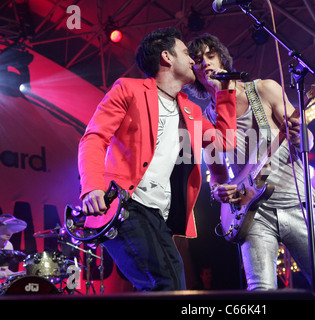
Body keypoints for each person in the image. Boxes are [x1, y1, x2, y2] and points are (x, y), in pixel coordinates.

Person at [187, 34, 315, 299]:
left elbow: (306, 139)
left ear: (222, 59)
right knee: (260, 294)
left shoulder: (263, 89)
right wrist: (218, 191)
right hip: (253, 213)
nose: (204, 63)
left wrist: (300, 134)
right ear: (194, 73)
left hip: (297, 204)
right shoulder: (205, 120)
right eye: (197, 61)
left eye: (209, 55)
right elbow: (217, 175)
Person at [78, 27, 237, 291]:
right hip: (125, 206)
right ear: (166, 57)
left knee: (174, 286)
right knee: (164, 285)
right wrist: (92, 185)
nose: (192, 60)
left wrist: (224, 91)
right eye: (186, 53)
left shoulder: (191, 110)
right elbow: (94, 137)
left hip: (160, 217)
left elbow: (226, 143)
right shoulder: (129, 89)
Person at [0, 214, 26, 280]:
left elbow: (4, 270)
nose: (9, 233)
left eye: (11, 229)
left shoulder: (9, 245)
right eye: (5, 228)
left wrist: (20, 275)